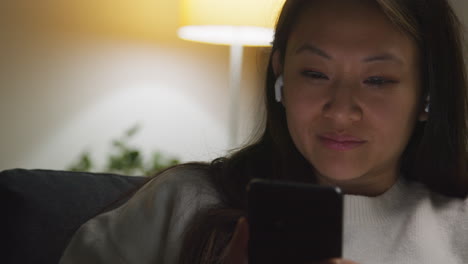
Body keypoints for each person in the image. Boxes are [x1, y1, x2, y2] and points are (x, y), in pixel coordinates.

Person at [59, 0, 468, 263]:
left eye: (377, 80)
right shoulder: (181, 203)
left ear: (428, 92)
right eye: (314, 73)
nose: (341, 111)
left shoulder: (457, 229)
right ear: (280, 77)